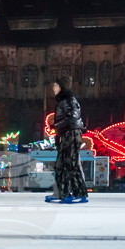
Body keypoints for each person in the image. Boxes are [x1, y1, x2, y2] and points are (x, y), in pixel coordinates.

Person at [48, 76, 88, 204]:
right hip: (65, 134)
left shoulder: (69, 100)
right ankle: (62, 192)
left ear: (62, 87)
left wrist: (57, 126)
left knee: (71, 163)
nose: (53, 88)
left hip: (71, 134)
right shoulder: (63, 101)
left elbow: (73, 116)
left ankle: (79, 193)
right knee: (60, 164)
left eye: (56, 85)